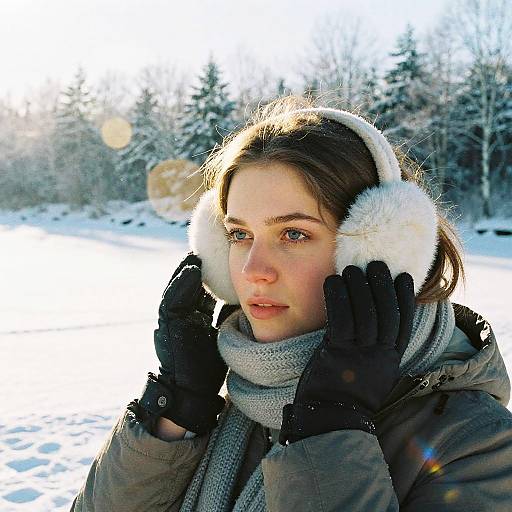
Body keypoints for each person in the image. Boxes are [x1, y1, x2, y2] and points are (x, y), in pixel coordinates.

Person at [71, 96, 512, 511]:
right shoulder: (234, 399)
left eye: (294, 234)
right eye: (239, 235)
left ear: (379, 251)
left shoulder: (475, 442)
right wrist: (175, 410)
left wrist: (331, 428)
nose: (252, 270)